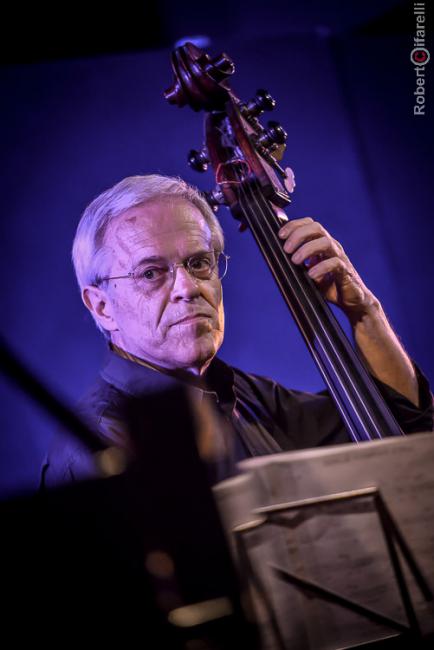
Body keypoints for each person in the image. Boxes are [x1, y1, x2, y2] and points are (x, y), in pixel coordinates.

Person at [40, 174, 433, 488]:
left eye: (199, 263)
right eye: (150, 273)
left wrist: (364, 311)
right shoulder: (97, 446)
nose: (188, 288)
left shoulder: (245, 396)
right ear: (102, 306)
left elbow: (400, 432)